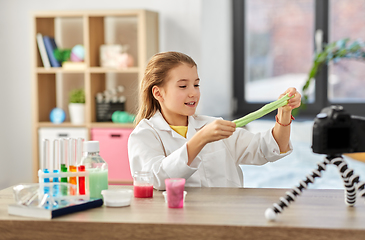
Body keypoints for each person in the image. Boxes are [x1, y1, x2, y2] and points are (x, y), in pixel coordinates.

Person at [128, 51, 301, 190]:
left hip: (226, 219)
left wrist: (284, 113)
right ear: (158, 93)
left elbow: (268, 149)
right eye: (183, 86)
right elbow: (156, 179)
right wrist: (201, 138)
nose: (193, 93)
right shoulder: (144, 135)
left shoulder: (213, 126)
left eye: (196, 84)